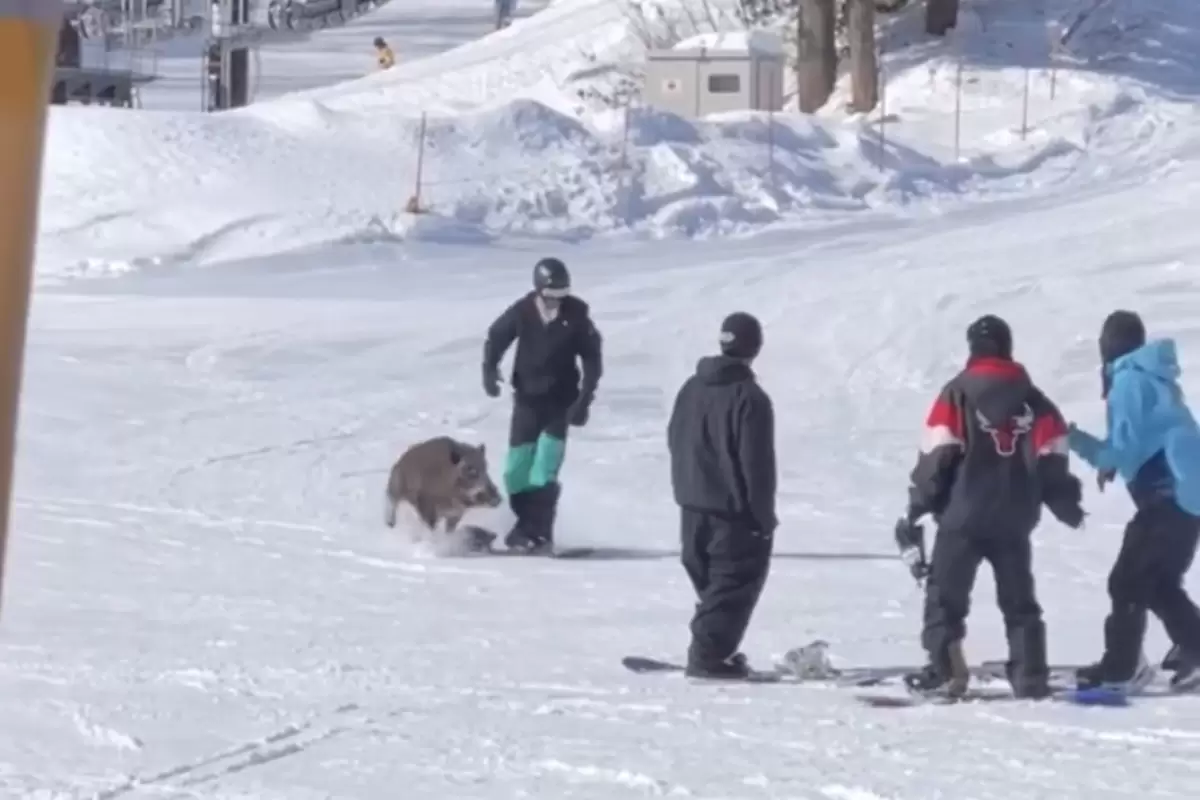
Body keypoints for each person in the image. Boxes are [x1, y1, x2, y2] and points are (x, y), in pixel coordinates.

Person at [895, 314, 1085, 698]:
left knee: (945, 598)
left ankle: (947, 670)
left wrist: (920, 502)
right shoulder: (1035, 400)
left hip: (963, 516)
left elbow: (939, 452)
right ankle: (1030, 675)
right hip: (1015, 518)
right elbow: (1052, 455)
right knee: (1020, 600)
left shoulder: (958, 393)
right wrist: (1066, 504)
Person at [1067, 310, 1200, 692]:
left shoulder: (1127, 382)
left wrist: (1072, 438)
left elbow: (1119, 454)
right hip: (1188, 501)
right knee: (1159, 583)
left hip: (1166, 499)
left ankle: (1122, 669)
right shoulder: (1154, 379)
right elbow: (1146, 442)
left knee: (1126, 582)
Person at [666, 312, 777, 679]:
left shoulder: (691, 387)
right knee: (733, 580)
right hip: (730, 509)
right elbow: (756, 463)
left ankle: (713, 647)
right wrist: (762, 517)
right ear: (756, 347)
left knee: (713, 584)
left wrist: (685, 484)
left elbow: (674, 437)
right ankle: (708, 655)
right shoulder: (750, 397)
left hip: (692, 503)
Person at [482, 258, 602, 552]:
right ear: (538, 291)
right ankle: (526, 527)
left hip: (561, 403)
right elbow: (497, 336)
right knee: (515, 472)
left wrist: (585, 398)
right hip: (527, 401)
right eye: (550, 296)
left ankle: (541, 532)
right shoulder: (523, 311)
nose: (556, 302)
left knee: (544, 471)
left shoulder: (577, 314)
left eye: (562, 295)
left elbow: (592, 358)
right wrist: (489, 367)